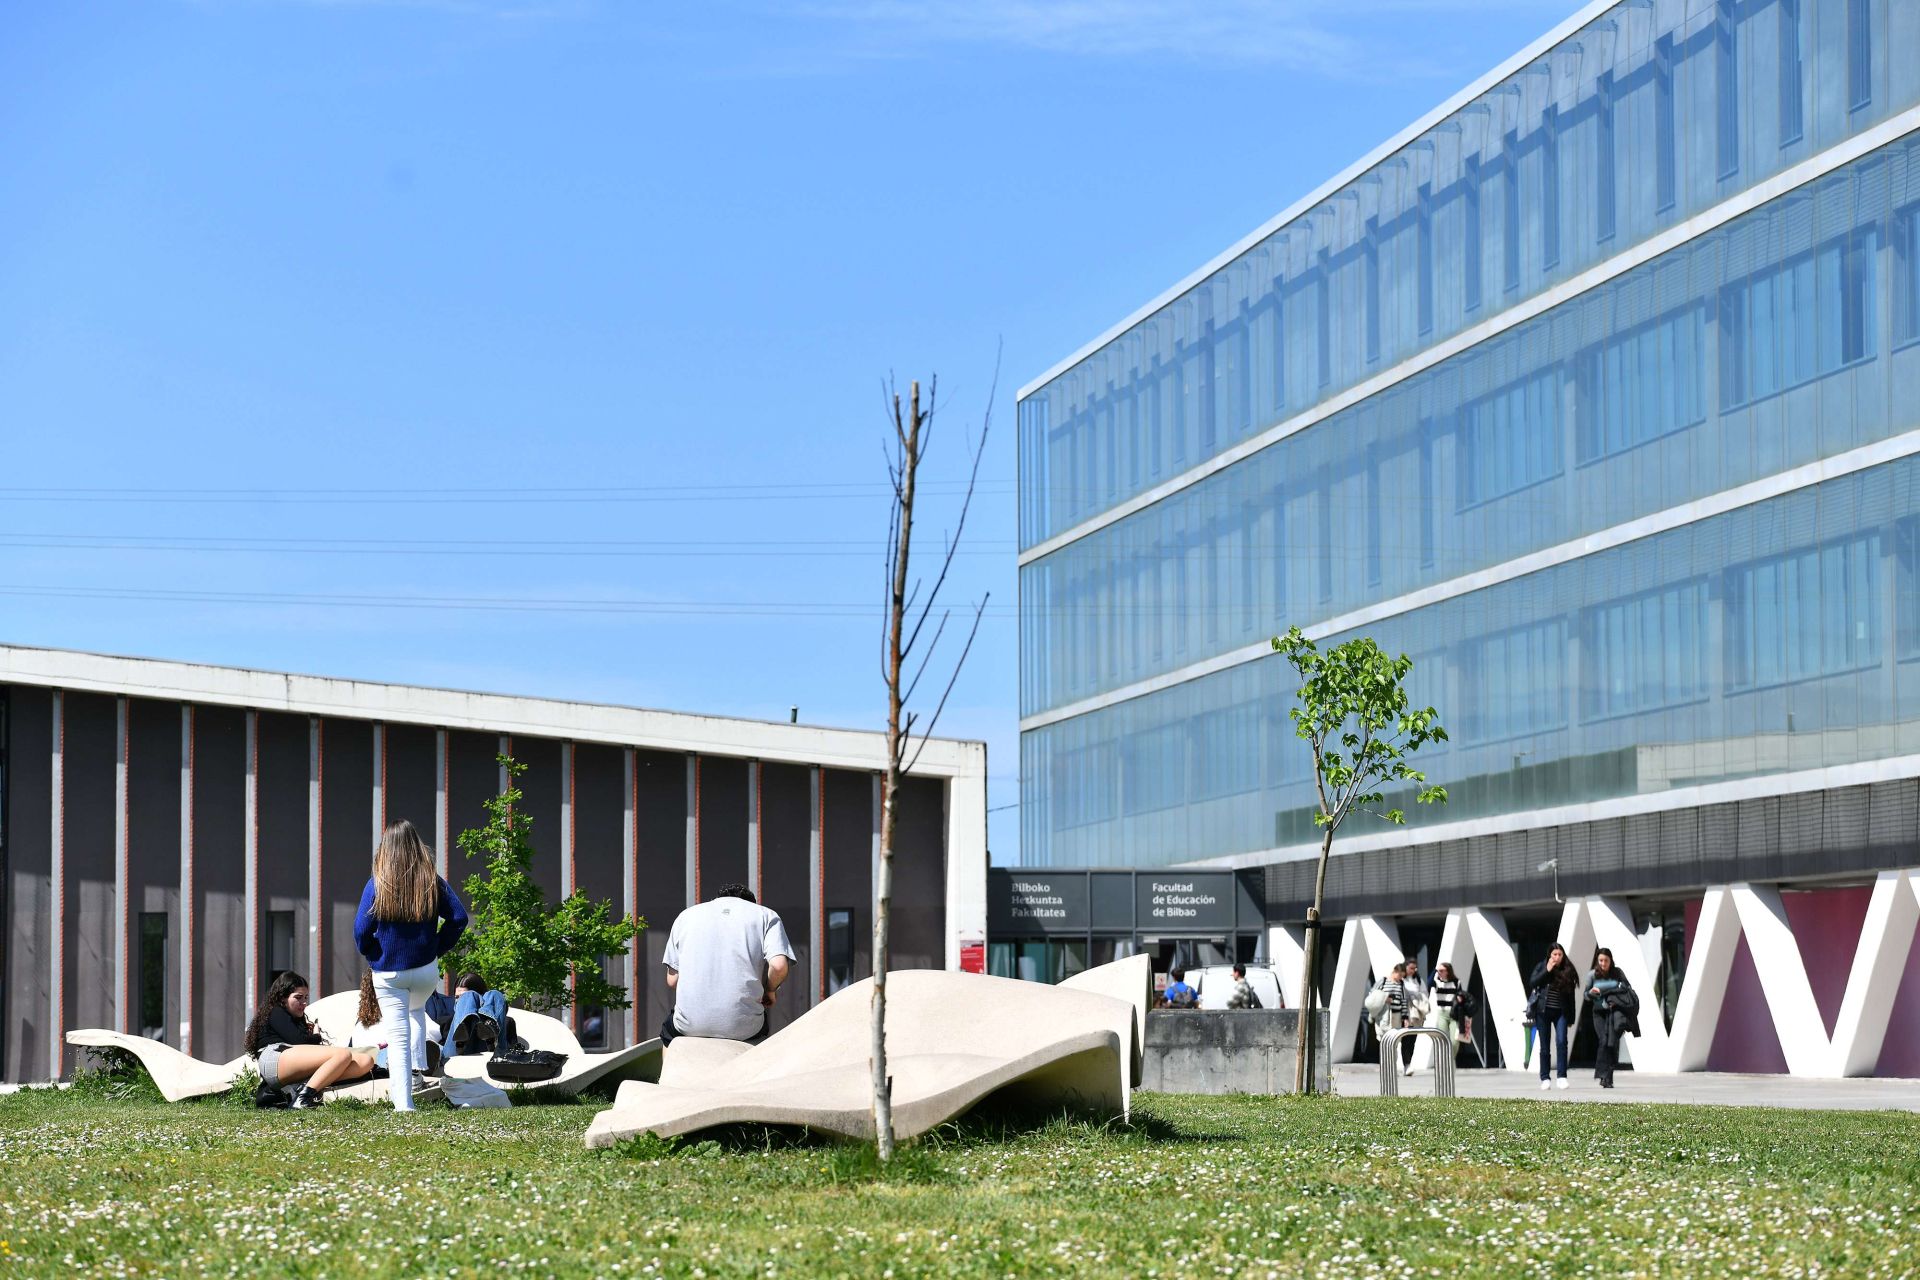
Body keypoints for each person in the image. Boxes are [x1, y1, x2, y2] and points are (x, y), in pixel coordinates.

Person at [354, 819, 468, 1111]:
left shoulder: (377, 883)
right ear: (417, 847)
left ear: (386, 849)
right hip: (425, 971)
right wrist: (436, 947)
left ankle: (404, 1104)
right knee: (416, 1010)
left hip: (389, 972)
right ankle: (418, 1071)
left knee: (398, 1035)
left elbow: (360, 931)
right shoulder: (431, 879)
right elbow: (459, 918)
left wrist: (373, 954)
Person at [661, 883, 795, 1046]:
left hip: (689, 1024)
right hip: (743, 1027)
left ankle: (667, 1071)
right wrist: (770, 990)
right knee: (759, 1029)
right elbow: (779, 966)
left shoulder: (686, 916)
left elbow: (673, 981)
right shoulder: (765, 915)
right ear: (750, 903)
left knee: (667, 1035)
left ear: (717, 900)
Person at [243, 970, 374, 1109]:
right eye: (298, 997)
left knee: (365, 1061)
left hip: (290, 1059)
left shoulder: (298, 1019)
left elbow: (302, 1043)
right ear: (282, 998)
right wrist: (316, 1036)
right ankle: (303, 1098)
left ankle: (304, 1090)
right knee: (342, 1055)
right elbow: (298, 1041)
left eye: (306, 997)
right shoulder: (276, 1011)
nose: (304, 1002)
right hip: (274, 1057)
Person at [1585, 947, 1640, 1089]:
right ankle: (1603, 1075)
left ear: (1611, 960)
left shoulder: (1617, 973)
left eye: (1606, 960)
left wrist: (1615, 996)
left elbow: (1627, 988)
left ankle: (1608, 1077)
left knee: (1613, 1044)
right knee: (1604, 1041)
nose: (1603, 963)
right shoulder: (1592, 975)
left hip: (1615, 1013)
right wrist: (1591, 993)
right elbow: (1586, 995)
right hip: (1599, 1013)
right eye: (1601, 960)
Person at [1528, 942, 1578, 1091]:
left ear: (1563, 956)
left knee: (1562, 1042)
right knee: (1544, 1046)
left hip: (1561, 1012)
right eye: (1554, 955)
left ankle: (1562, 1077)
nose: (1557, 957)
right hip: (1543, 1012)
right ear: (1549, 956)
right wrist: (1547, 970)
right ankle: (1545, 1078)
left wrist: (1571, 1018)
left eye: (1560, 955)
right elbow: (1533, 982)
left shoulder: (1567, 970)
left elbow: (1571, 997)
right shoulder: (1542, 966)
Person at [1429, 961, 1466, 1059]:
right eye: (1439, 971)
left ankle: (1450, 1059)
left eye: (1442, 970)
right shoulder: (1437, 982)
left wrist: (1460, 999)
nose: (1439, 972)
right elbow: (1429, 983)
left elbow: (1461, 995)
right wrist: (1435, 970)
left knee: (1455, 1040)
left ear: (1448, 971)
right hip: (1442, 1013)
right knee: (1442, 1037)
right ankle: (1443, 1059)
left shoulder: (1456, 982)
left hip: (1454, 1014)